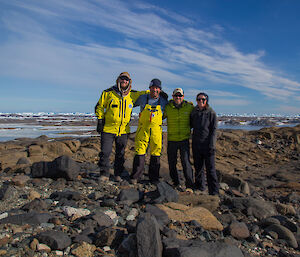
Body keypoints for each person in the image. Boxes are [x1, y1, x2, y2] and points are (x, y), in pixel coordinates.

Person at [95, 72, 148, 181]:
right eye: (122, 79)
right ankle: (104, 174)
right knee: (105, 152)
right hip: (108, 129)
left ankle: (117, 173)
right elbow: (99, 107)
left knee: (120, 153)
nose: (124, 81)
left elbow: (146, 93)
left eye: (126, 79)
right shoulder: (108, 93)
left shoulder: (133, 94)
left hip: (124, 130)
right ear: (118, 80)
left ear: (129, 82)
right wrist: (100, 120)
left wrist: (158, 91)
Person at [130, 78, 168, 183]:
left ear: (160, 89)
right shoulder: (143, 98)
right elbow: (130, 103)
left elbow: (166, 114)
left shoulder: (164, 101)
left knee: (156, 153)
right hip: (143, 130)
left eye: (157, 88)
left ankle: (154, 178)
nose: (154, 90)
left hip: (156, 131)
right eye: (152, 88)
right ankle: (136, 177)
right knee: (140, 151)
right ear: (149, 88)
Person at [163, 88, 194, 189]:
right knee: (172, 163)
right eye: (176, 95)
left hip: (184, 139)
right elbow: (159, 117)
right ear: (173, 96)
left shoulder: (189, 107)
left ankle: (189, 184)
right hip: (172, 140)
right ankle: (176, 183)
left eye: (180, 95)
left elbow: (197, 117)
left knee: (186, 162)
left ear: (183, 97)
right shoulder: (167, 107)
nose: (178, 97)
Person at [190, 92, 219, 195]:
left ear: (206, 101)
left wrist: (212, 145)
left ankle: (214, 191)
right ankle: (200, 187)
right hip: (196, 144)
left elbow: (214, 130)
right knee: (198, 168)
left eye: (203, 99)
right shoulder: (194, 112)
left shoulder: (211, 113)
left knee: (210, 169)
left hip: (208, 145)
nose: (200, 101)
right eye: (198, 99)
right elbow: (190, 125)